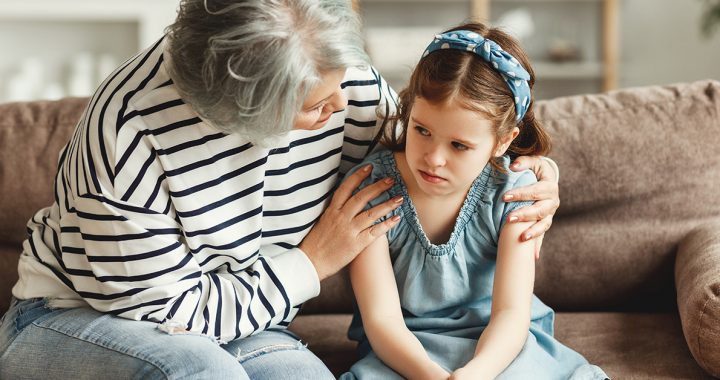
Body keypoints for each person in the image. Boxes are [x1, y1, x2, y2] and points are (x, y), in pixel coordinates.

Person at [0, 2, 560, 379]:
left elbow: (445, 145)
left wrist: (537, 174)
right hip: (84, 317)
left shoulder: (338, 79)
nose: (343, 106)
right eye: (317, 106)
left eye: (344, 84)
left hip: (248, 322)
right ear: (240, 113)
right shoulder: (127, 138)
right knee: (205, 373)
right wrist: (310, 261)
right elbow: (168, 320)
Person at [340, 23, 607, 380]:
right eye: (422, 130)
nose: (433, 158)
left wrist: (475, 374)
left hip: (500, 344)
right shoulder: (372, 188)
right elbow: (381, 320)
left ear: (501, 142)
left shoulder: (515, 193)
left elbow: (511, 314)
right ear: (409, 110)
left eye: (459, 145)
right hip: (402, 349)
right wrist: (431, 376)